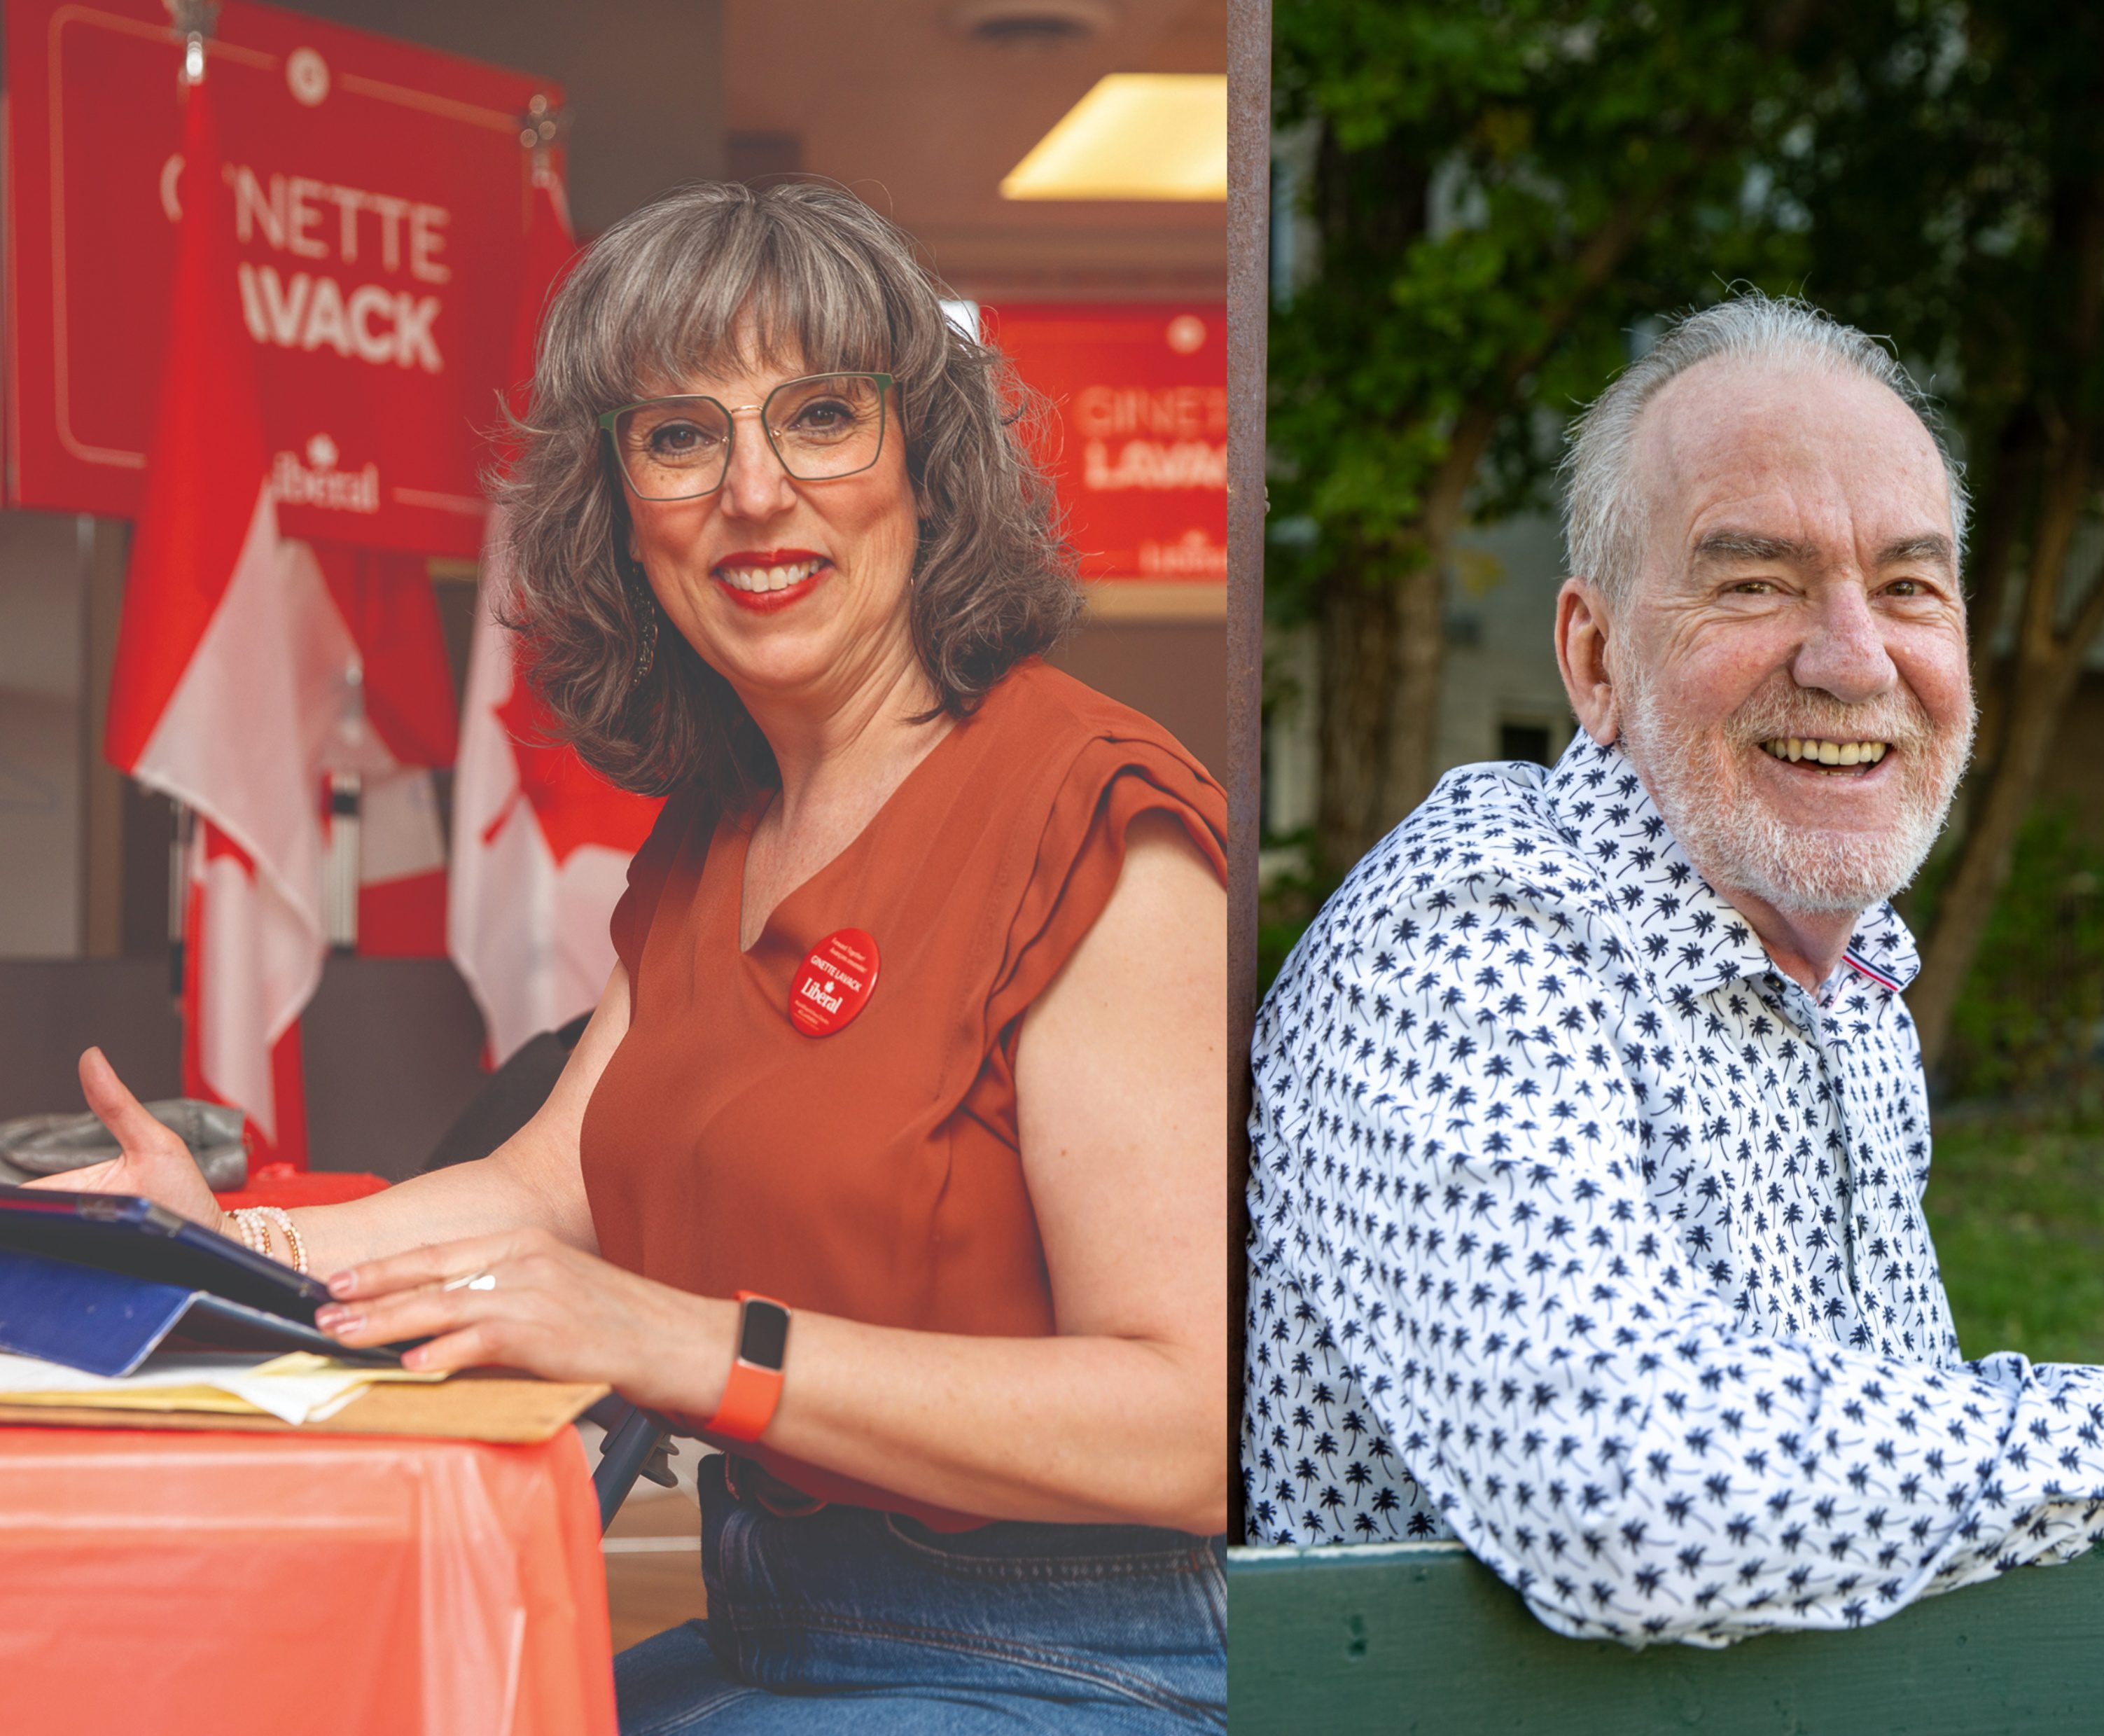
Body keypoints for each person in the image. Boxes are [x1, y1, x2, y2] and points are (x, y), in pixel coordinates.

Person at [46, 180, 1229, 1731]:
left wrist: (675, 1341)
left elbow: (1193, 1416)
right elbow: (549, 1189)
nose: (754, 490)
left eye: (820, 417)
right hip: (779, 1626)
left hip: (1079, 1657)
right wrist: (215, 1244)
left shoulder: (1093, 817)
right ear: (620, 510)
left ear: (926, 471)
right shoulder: (719, 829)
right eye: (680, 436)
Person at [1242, 295, 2104, 1648]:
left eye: (1908, 587)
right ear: (1596, 659)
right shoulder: (1469, 937)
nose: (1851, 658)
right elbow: (1625, 1496)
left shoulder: (1849, 971)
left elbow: (1889, 1511)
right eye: (1756, 582)